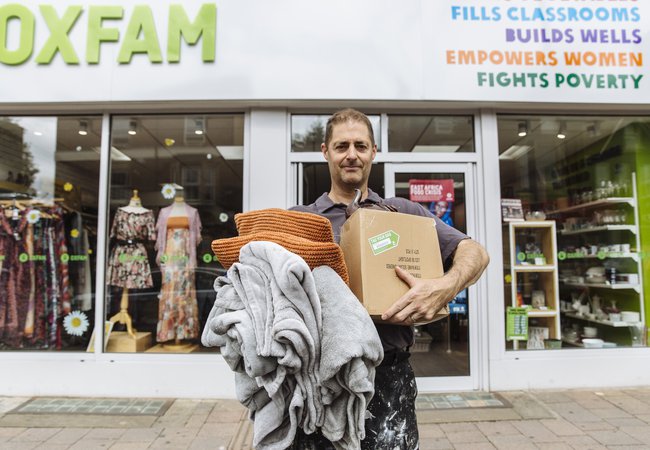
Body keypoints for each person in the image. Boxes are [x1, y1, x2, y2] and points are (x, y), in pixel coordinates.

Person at [289, 108, 489, 450]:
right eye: (341, 146)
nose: (351, 154)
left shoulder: (405, 214)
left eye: (360, 146)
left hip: (389, 376)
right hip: (320, 383)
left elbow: (476, 254)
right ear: (325, 152)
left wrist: (443, 287)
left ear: (373, 152)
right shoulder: (301, 221)